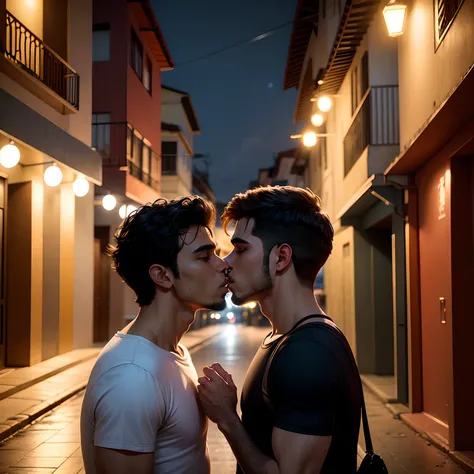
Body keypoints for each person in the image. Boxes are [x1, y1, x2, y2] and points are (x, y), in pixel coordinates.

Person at [197, 186, 362, 474]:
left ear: (281, 257)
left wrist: (226, 419)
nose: (227, 262)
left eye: (241, 249)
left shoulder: (308, 353)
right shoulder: (286, 338)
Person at [80, 196, 229, 474]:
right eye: (205, 256)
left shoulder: (171, 351)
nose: (223, 265)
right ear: (162, 276)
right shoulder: (132, 376)